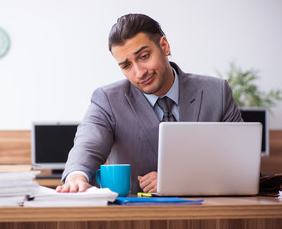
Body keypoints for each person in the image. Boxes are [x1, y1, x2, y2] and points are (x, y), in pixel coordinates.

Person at [56, 13, 242, 194]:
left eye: (144, 56)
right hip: (137, 217)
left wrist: (176, 180)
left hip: (208, 214)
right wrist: (76, 177)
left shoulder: (217, 93)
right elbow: (87, 144)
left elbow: (239, 163)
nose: (139, 73)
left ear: (165, 46)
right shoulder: (107, 100)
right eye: (126, 66)